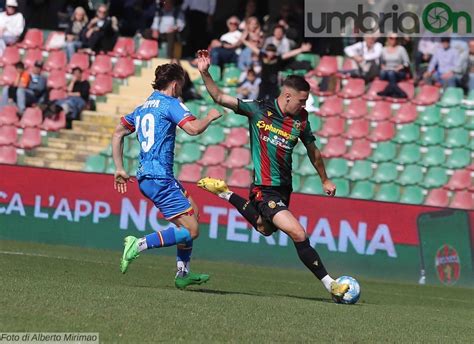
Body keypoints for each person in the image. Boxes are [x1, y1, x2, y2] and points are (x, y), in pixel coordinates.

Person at [195, 49, 349, 301]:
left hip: (284, 189)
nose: (304, 105)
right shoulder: (258, 110)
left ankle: (225, 192)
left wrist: (324, 178)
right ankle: (331, 284)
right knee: (298, 233)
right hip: (263, 188)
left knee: (263, 228)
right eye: (301, 100)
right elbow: (220, 97)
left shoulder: (301, 120)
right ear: (287, 96)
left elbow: (313, 150)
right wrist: (205, 73)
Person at [113, 62, 222, 289]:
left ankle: (183, 274)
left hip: (152, 176)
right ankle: (138, 244)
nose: (181, 89)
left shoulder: (143, 107)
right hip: (159, 178)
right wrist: (209, 117)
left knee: (194, 211)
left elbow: (118, 132)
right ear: (175, 84)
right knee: (191, 230)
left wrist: (119, 168)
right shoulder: (171, 104)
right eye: (181, 85)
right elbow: (192, 129)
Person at [243, 41, 312, 100]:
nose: (270, 53)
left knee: (272, 100)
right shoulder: (263, 56)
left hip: (273, 84)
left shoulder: (277, 59)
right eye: (269, 51)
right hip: (263, 83)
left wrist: (301, 49)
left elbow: (289, 54)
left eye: (272, 51)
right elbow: (253, 48)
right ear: (266, 51)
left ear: (275, 52)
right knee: (260, 99)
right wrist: (243, 40)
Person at [377, 33, 410, 98]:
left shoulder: (401, 49)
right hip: (386, 70)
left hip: (398, 71)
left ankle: (388, 92)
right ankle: (393, 91)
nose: (393, 40)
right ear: (388, 39)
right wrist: (382, 66)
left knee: (391, 73)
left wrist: (401, 67)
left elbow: (407, 62)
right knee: (383, 73)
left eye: (396, 38)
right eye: (391, 38)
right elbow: (381, 62)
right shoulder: (383, 50)